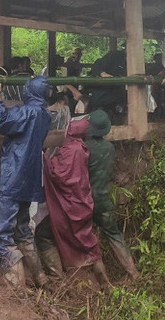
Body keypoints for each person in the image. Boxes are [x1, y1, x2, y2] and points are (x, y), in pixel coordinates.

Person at [0, 76, 52, 289]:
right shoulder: (44, 114)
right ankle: (40, 277)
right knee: (23, 230)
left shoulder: (26, 112)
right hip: (29, 180)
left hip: (11, 179)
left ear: (29, 92)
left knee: (1, 236)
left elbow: (0, 121)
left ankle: (17, 287)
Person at [43, 117, 111, 289]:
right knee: (88, 242)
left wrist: (44, 158)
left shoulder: (68, 150)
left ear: (70, 131)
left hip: (70, 205)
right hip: (83, 202)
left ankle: (60, 280)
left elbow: (58, 174)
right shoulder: (82, 148)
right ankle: (105, 282)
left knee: (55, 236)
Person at [84, 110, 139, 280]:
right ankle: (133, 272)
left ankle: (103, 280)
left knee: (88, 239)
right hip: (104, 201)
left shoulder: (84, 147)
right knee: (115, 235)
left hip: (86, 202)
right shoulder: (109, 148)